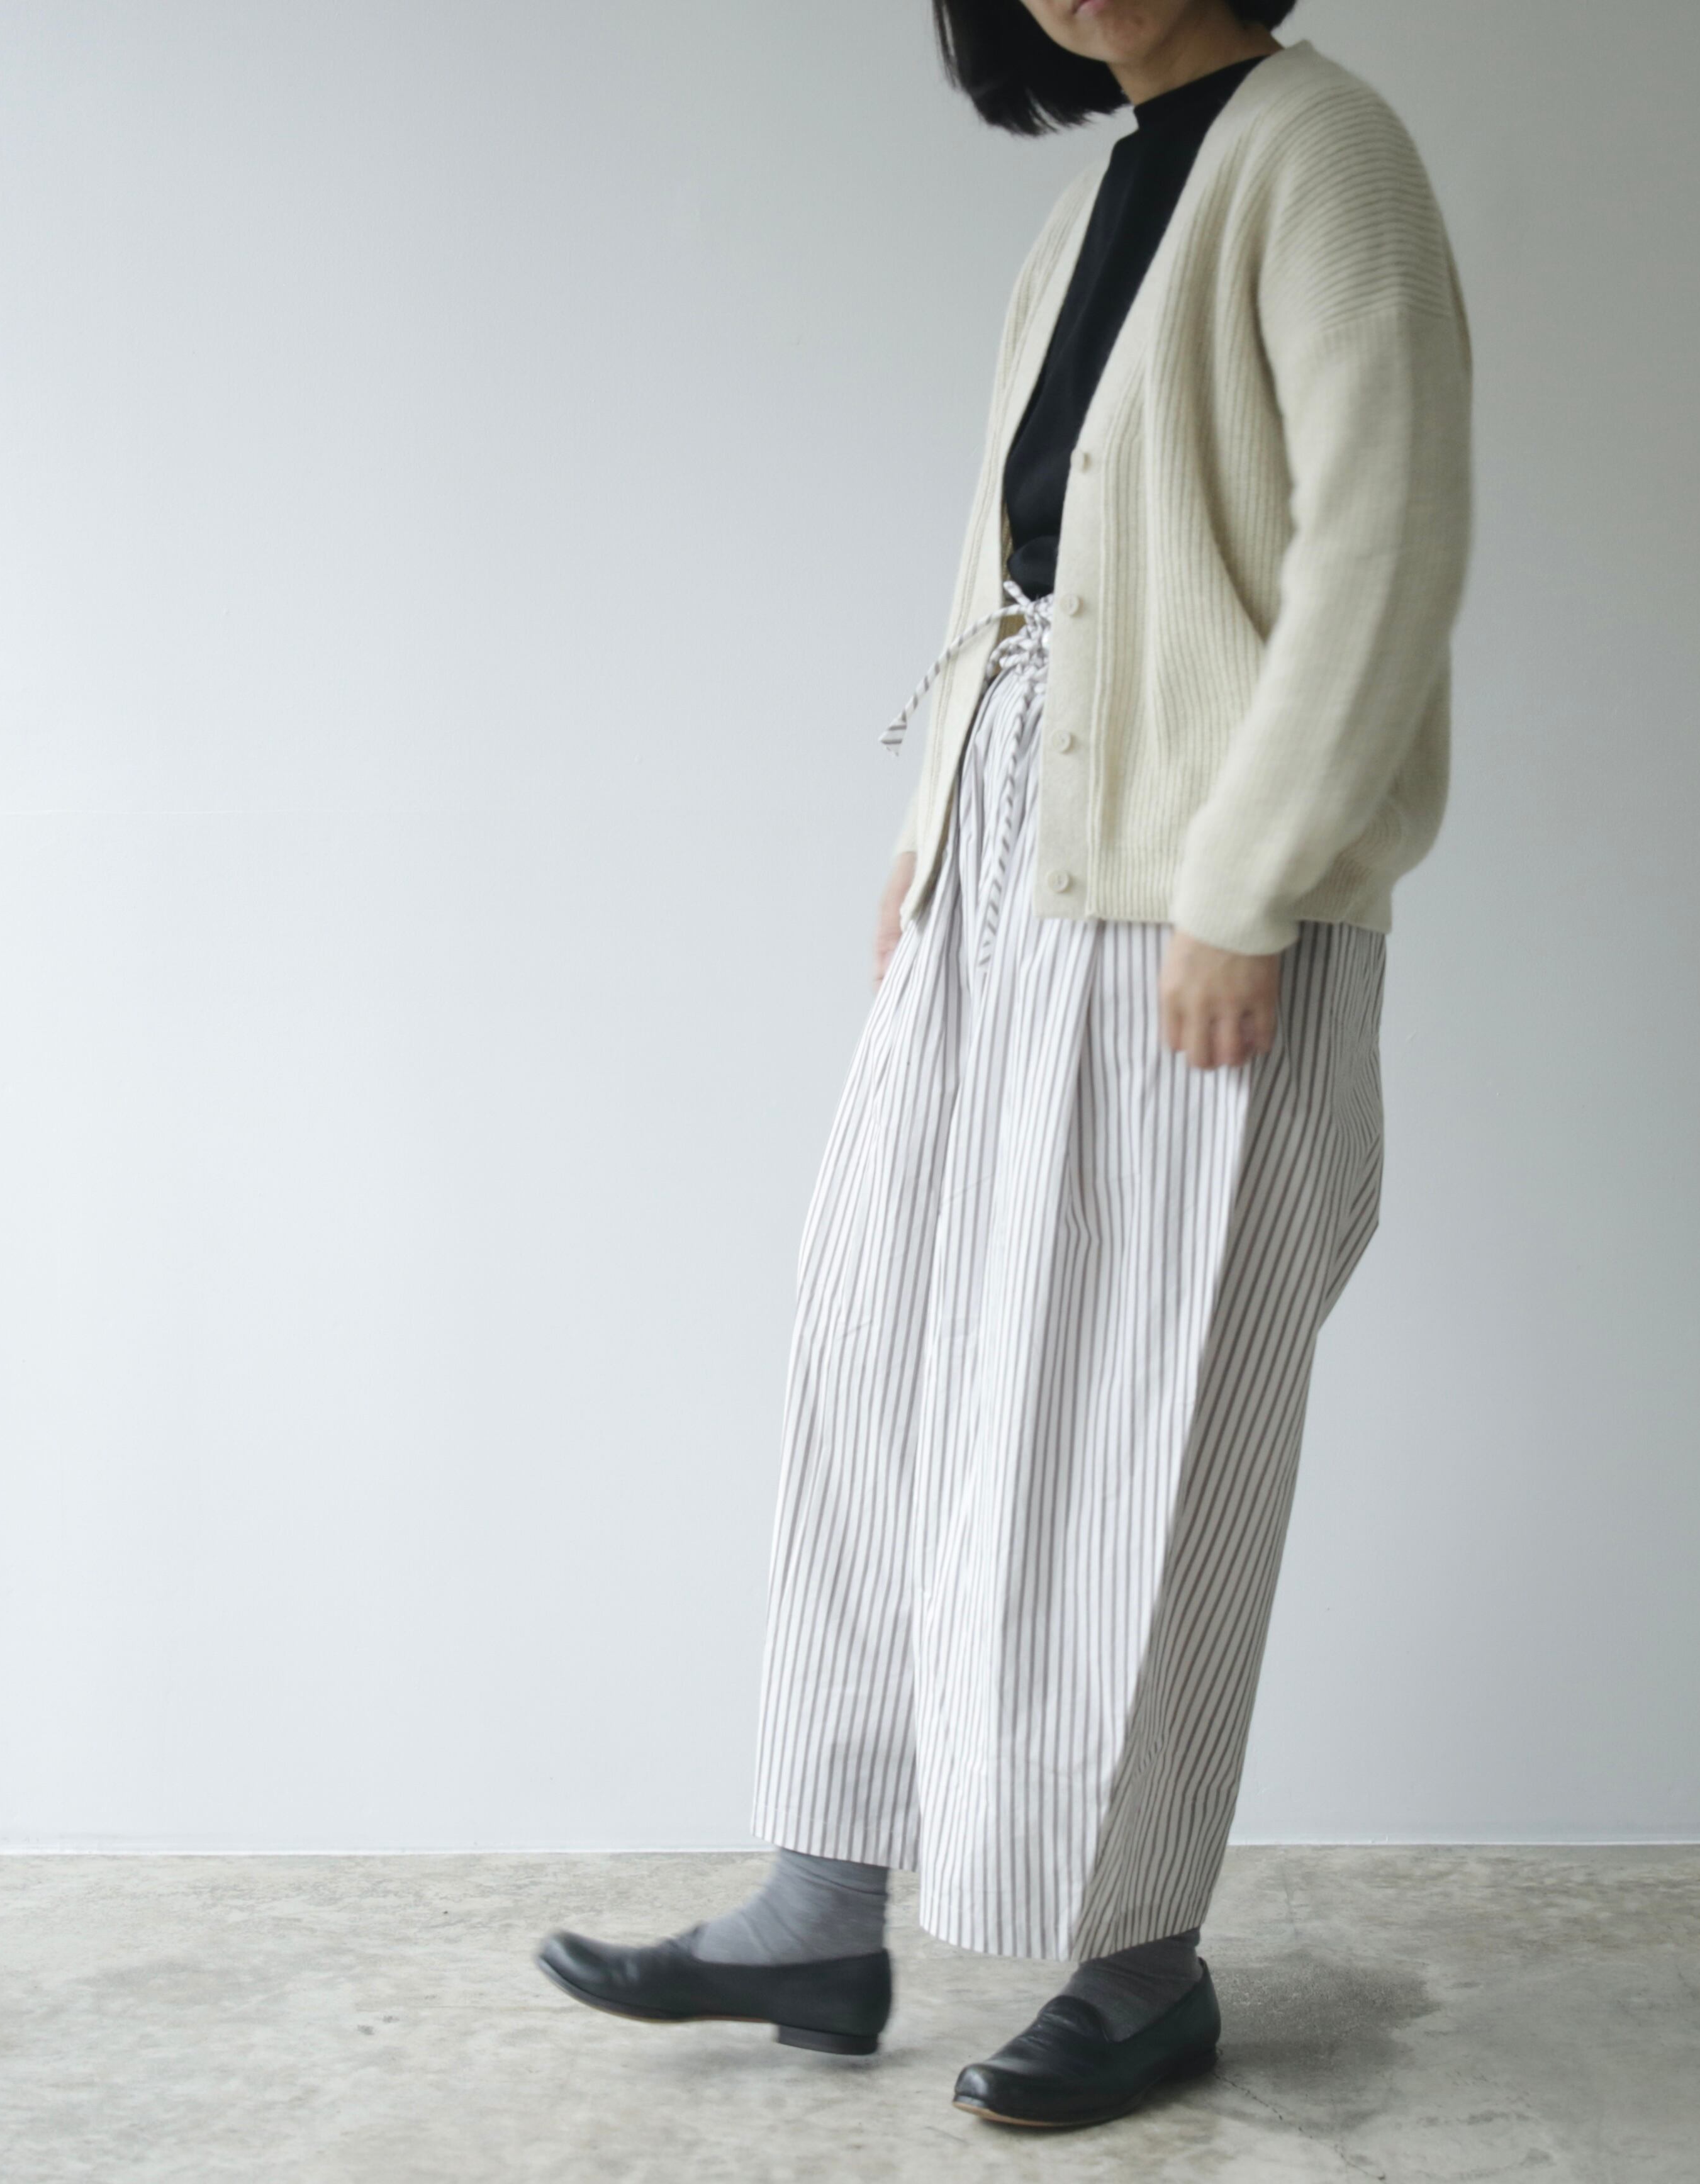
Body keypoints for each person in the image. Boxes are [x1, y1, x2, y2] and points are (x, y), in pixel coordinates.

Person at [539, 0, 1472, 2131]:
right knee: (879, 1337)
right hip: (1010, 849)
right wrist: (928, 823)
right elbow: (1018, 555)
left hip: (1197, 878)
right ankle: (820, 1903)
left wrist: (1251, 879)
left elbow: (1383, 544)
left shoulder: (1324, 152)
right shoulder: (1087, 206)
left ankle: (1139, 1962)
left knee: (1139, 1409)